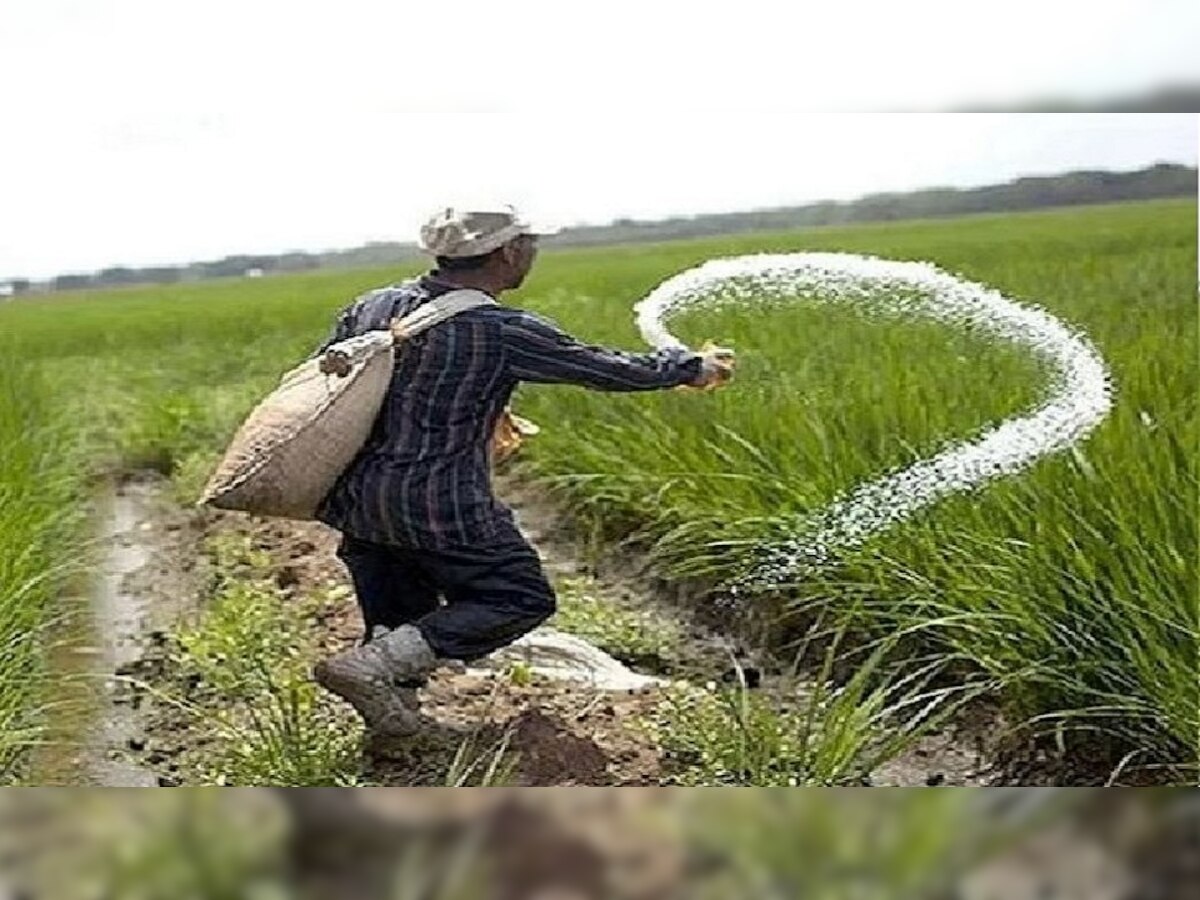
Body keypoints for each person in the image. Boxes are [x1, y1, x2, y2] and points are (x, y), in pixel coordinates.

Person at [312, 204, 734, 743]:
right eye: (529, 243)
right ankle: (369, 672)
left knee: (400, 612)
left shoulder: (375, 306)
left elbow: (340, 383)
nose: (532, 252)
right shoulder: (498, 328)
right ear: (508, 251)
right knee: (517, 596)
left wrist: (477, 401)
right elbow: (602, 368)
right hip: (440, 504)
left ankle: (394, 728)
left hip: (359, 500)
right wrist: (690, 368)